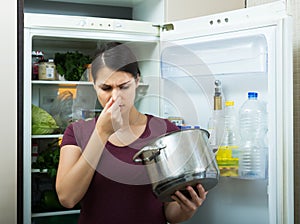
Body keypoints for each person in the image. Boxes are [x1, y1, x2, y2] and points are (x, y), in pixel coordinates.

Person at [55, 42, 207, 224]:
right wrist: (102, 133)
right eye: (106, 88)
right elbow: (67, 198)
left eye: (123, 86)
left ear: (137, 81)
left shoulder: (165, 132)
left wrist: (186, 209)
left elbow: (170, 213)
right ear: (93, 84)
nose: (115, 97)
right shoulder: (77, 132)